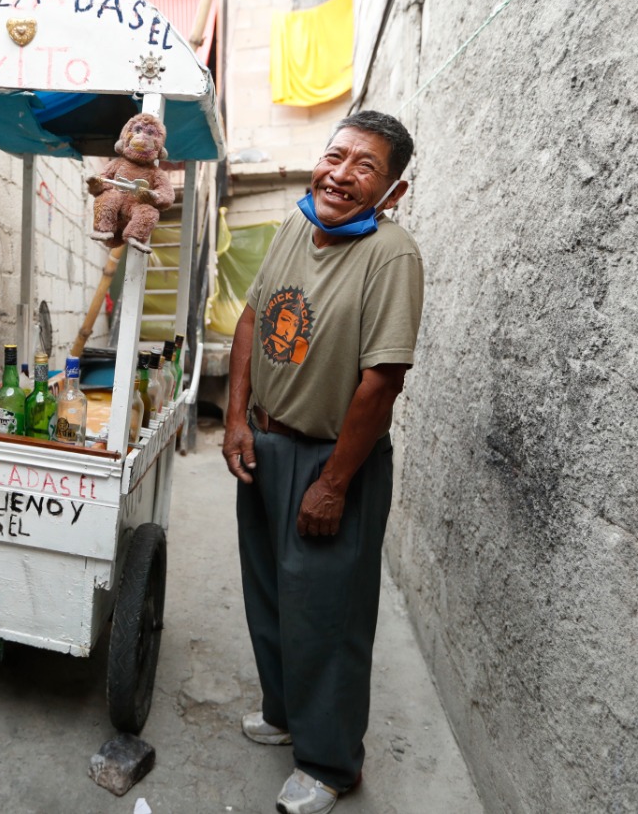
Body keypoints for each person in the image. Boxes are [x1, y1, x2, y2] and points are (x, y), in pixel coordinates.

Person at [224, 111, 424, 814]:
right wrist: (236, 419)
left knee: (328, 615)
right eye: (336, 156)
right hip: (268, 443)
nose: (341, 174)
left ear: (390, 191)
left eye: (364, 166)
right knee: (273, 597)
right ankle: (285, 712)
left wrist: (334, 482)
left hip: (334, 457)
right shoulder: (291, 226)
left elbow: (382, 381)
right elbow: (252, 319)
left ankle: (331, 761)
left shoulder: (390, 256)